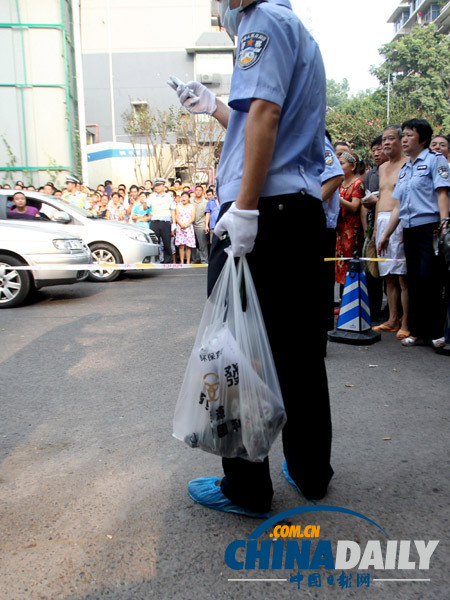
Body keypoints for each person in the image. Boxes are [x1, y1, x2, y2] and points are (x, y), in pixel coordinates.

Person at [172, 0, 333, 517]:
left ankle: (246, 488)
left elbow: (264, 115)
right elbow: (259, 124)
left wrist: (242, 212)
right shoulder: (295, 29)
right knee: (300, 352)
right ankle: (310, 472)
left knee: (232, 349)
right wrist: (216, 107)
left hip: (263, 213)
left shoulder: (262, 20)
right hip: (297, 213)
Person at [378, 119, 449, 348]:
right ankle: (417, 331)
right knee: (415, 280)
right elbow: (398, 206)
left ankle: (437, 333)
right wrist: (386, 234)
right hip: (409, 229)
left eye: (409, 135)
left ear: (423, 139)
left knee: (431, 278)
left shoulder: (435, 161)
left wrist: (444, 223)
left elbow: (442, 194)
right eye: (404, 135)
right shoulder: (406, 167)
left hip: (430, 228)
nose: (405, 139)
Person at [373, 125, 409, 338]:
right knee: (388, 276)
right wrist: (377, 228)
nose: (386, 143)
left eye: (391, 139)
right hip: (382, 220)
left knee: (402, 276)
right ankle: (392, 318)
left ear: (400, 140)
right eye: (384, 139)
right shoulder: (382, 167)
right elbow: (380, 198)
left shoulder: (407, 164)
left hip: (399, 221)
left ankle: (406, 320)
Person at [361, 136, 387, 322]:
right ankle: (374, 311)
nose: (376, 153)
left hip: (389, 224)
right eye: (374, 149)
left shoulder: (399, 169)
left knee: (392, 273)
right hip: (372, 226)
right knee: (372, 271)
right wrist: (366, 229)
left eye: (380, 149)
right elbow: (364, 203)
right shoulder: (371, 175)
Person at [322, 133, 344, 330]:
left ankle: (324, 323)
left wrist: (308, 206)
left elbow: (336, 176)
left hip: (320, 224)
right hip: (309, 221)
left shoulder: (318, 141)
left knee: (322, 278)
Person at [335, 151, 365, 288]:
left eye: (342, 163)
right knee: (340, 264)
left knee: (349, 264)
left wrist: (338, 199)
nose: (338, 166)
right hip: (340, 230)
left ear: (352, 167)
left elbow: (354, 207)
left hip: (352, 231)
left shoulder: (358, 184)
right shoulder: (339, 184)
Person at [149, 178, 173, 263]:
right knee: (155, 243)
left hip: (165, 223)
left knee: (167, 242)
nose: (157, 187)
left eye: (159, 185)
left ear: (163, 186)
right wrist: (144, 202)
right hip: (155, 222)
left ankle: (168, 261)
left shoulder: (169, 197)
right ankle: (156, 260)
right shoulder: (151, 197)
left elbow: (173, 210)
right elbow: (146, 207)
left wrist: (173, 225)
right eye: (156, 186)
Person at [175, 191, 196, 264]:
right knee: (181, 245)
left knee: (188, 245)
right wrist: (181, 224)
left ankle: (188, 261)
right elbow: (176, 217)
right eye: (182, 196)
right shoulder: (178, 206)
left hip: (188, 227)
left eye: (185, 196)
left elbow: (193, 218)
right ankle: (181, 261)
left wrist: (186, 225)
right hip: (180, 227)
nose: (184, 198)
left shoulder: (192, 206)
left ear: (189, 198)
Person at [191, 184, 209, 263]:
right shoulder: (190, 200)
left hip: (201, 224)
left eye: (200, 190)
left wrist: (206, 225)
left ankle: (204, 260)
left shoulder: (206, 202)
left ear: (202, 192)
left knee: (202, 244)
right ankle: (193, 260)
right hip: (190, 224)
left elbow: (207, 214)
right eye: (197, 190)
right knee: (192, 244)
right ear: (194, 191)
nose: (198, 192)